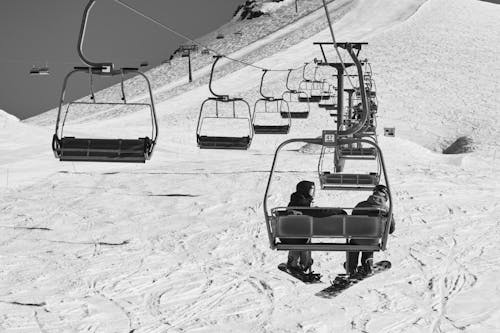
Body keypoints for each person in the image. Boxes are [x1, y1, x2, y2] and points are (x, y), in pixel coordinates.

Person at [346, 184, 395, 276]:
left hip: (357, 239)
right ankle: (367, 263)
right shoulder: (387, 209)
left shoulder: (361, 205)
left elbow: (351, 222)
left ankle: (351, 266)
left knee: (355, 243)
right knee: (370, 241)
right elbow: (391, 229)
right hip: (373, 241)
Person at [283, 180, 315, 272]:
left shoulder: (297, 199)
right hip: (297, 231)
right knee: (302, 241)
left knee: (302, 241)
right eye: (310, 189)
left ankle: (299, 262)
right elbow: (301, 205)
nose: (311, 192)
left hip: (293, 231)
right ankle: (301, 263)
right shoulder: (300, 199)